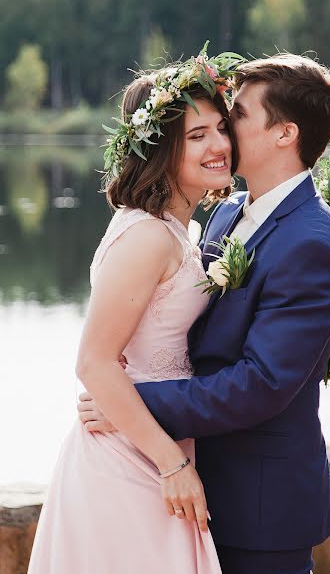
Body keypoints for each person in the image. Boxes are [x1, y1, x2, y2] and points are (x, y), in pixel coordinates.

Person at [79, 53, 330, 574]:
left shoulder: (311, 242)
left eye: (239, 116)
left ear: (285, 134)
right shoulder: (226, 211)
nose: (225, 130)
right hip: (186, 477)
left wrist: (134, 401)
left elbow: (261, 384)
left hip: (259, 502)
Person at [28, 47, 243, 574]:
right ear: (159, 148)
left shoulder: (180, 229)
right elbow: (94, 364)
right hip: (131, 461)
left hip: (155, 439)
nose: (219, 145)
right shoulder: (147, 236)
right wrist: (172, 465)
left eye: (221, 128)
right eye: (197, 136)